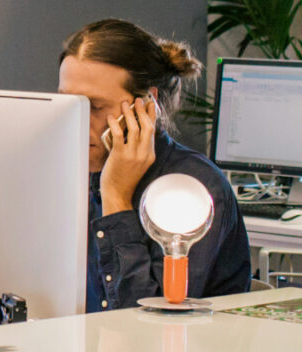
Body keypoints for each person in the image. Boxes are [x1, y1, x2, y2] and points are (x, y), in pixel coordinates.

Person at [57, 18, 250, 311]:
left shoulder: (191, 188)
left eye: (95, 107)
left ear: (148, 104)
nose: (78, 120)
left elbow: (146, 326)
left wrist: (116, 196)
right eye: (69, 104)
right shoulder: (67, 172)